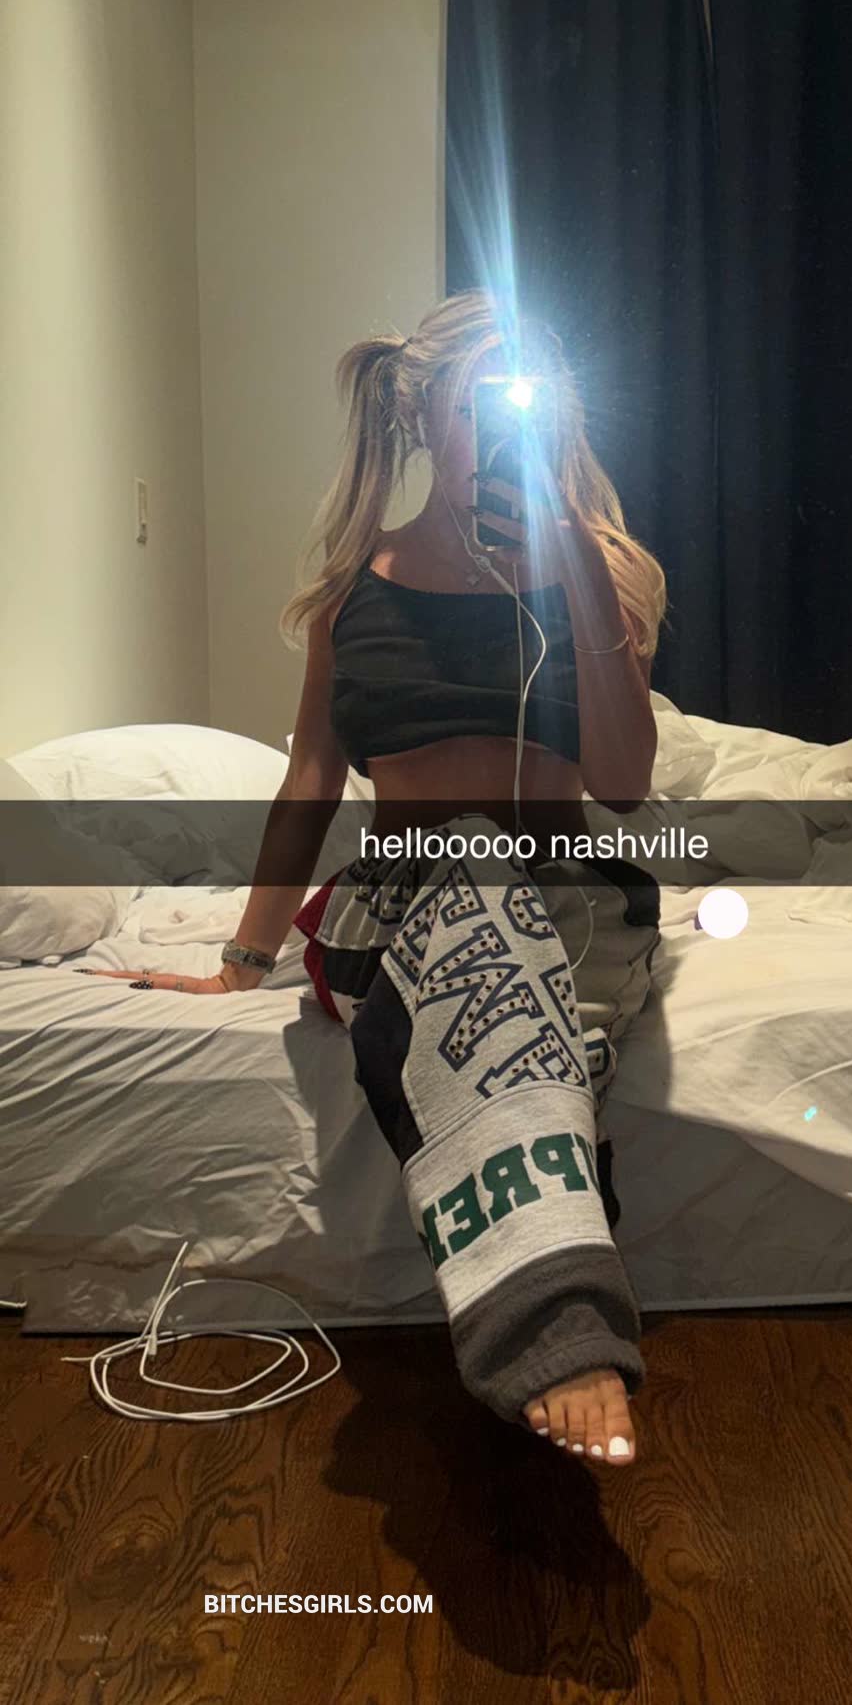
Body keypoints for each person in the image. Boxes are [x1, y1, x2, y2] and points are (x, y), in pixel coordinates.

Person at [89, 289, 667, 1467]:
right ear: (419, 411)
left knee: (530, 979)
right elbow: (308, 779)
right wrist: (242, 961)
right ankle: (560, 1319)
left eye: (532, 395)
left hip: (567, 894)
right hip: (399, 898)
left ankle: (547, 1302)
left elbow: (622, 780)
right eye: (482, 395)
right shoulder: (356, 592)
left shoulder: (605, 569)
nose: (509, 421)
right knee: (474, 891)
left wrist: (577, 572)